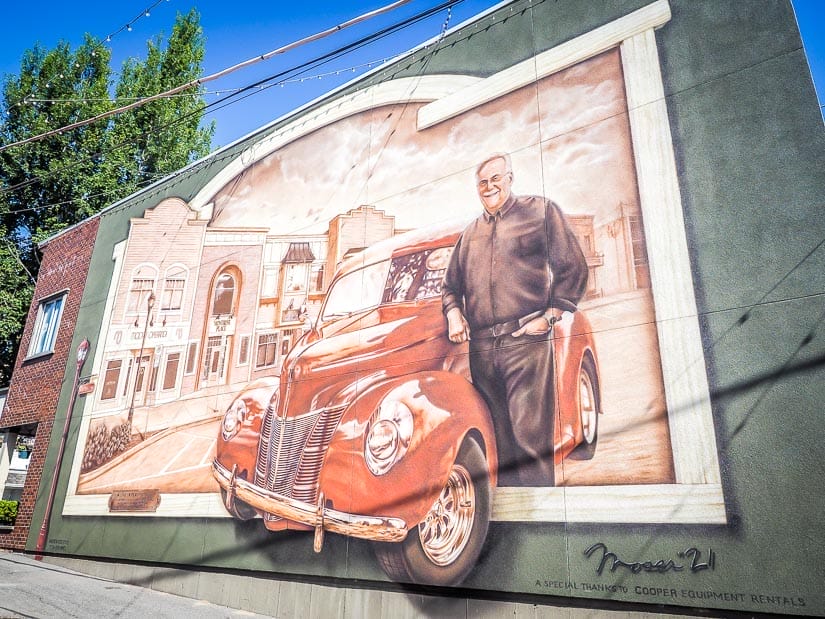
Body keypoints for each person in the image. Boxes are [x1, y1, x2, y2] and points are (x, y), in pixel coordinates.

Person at [442, 153, 588, 486]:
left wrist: (549, 316)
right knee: (499, 444)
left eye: (496, 178)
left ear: (511, 177)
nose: (489, 187)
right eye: (482, 182)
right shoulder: (470, 235)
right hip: (482, 349)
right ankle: (513, 521)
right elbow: (450, 286)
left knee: (529, 441)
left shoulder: (540, 212)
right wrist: (453, 312)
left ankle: (540, 522)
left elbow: (573, 267)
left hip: (526, 342)